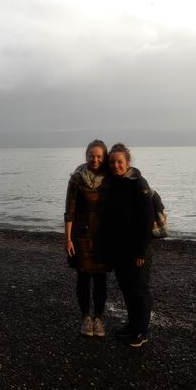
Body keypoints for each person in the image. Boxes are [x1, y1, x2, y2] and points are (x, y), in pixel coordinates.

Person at [105, 143, 155, 348]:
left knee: (139, 290)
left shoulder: (138, 184)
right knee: (127, 288)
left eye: (119, 162)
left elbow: (147, 220)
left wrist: (141, 250)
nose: (116, 165)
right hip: (120, 249)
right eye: (112, 162)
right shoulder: (114, 183)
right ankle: (132, 325)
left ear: (127, 162)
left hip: (137, 250)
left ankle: (142, 332)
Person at [64, 139, 110, 337]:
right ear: (86, 156)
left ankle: (98, 319)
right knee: (83, 277)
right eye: (92, 155)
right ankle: (85, 318)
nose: (95, 159)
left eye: (99, 156)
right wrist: (68, 239)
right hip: (81, 236)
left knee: (101, 279)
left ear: (104, 157)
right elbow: (69, 211)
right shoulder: (77, 179)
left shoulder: (111, 178)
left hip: (103, 237)